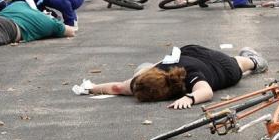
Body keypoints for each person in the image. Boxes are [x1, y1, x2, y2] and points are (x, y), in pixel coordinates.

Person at [78, 46, 268, 110]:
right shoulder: (146, 76)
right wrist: (90, 88)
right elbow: (118, 88)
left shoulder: (190, 78)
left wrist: (189, 98)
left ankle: (254, 59)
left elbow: (206, 91)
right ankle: (249, 58)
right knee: (140, 71)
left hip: (219, 66)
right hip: (189, 51)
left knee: (242, 65)